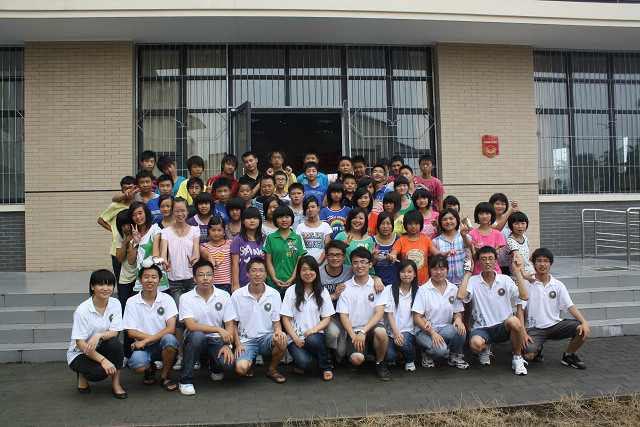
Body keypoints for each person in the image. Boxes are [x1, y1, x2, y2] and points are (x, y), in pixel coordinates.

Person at [456, 246, 529, 375]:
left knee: (514, 321)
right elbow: (461, 296)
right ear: (478, 262)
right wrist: (467, 273)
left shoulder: (505, 279)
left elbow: (524, 296)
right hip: (482, 328)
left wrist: (517, 273)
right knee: (475, 345)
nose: (487, 262)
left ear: (496, 261)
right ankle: (485, 348)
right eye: (483, 259)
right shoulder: (473, 280)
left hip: (502, 327)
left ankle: (517, 358)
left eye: (491, 258)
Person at [517, 248, 590, 369]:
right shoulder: (527, 284)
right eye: (539, 261)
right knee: (528, 355)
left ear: (550, 264)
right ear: (534, 264)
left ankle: (569, 356)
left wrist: (584, 322)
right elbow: (520, 310)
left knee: (581, 329)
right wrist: (523, 333)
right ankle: (537, 348)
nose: (542, 264)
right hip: (535, 329)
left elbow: (570, 306)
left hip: (555, 325)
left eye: (546, 261)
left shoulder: (558, 285)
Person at [224, 257, 288, 384]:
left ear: (266, 274)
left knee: (282, 340)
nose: (257, 274)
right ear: (247, 274)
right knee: (241, 369)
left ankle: (272, 369)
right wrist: (238, 344)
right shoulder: (237, 295)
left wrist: (278, 331)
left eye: (261, 271)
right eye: (254, 270)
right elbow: (233, 323)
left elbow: (276, 322)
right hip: (246, 341)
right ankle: (250, 362)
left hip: (266, 338)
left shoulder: (274, 294)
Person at [178, 259, 235, 395]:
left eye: (209, 274)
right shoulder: (186, 298)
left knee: (228, 363)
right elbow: (191, 326)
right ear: (194, 278)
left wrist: (227, 345)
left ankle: (215, 367)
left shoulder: (224, 295)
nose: (205, 278)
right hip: (195, 338)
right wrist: (217, 329)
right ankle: (185, 381)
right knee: (197, 336)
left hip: (217, 339)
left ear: (213, 276)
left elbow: (229, 324)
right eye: (201, 275)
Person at [67, 269, 127, 399]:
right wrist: (103, 361)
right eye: (100, 284)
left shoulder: (115, 303)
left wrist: (98, 335)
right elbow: (81, 344)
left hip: (101, 346)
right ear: (92, 287)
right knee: (99, 373)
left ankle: (116, 384)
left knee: (116, 344)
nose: (105, 288)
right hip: (81, 352)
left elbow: (115, 332)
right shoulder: (82, 310)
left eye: (109, 284)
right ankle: (81, 374)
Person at [124, 262, 179, 391]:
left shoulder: (167, 299)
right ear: (140, 280)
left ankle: (165, 376)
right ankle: (150, 368)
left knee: (170, 340)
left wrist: (147, 340)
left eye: (154, 277)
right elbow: (131, 332)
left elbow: (171, 329)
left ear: (160, 280)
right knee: (137, 366)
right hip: (143, 347)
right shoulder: (132, 302)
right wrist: (147, 341)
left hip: (160, 344)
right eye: (146, 277)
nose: (150, 280)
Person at [336, 247, 390, 380]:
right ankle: (364, 353)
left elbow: (379, 314)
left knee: (381, 331)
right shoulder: (345, 287)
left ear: (370, 264)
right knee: (356, 359)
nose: (359, 266)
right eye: (355, 262)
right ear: (351, 265)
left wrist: (363, 332)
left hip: (372, 329)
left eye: (363, 262)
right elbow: (343, 315)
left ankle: (380, 363)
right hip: (354, 331)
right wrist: (353, 335)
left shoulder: (378, 286)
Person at [160, 197, 200, 370]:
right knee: (179, 320)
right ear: (172, 212)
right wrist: (164, 262)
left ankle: (194, 356)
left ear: (187, 211)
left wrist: (195, 260)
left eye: (183, 210)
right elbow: (163, 253)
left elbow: (196, 252)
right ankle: (181, 355)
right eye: (176, 211)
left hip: (192, 280)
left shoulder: (194, 230)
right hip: (174, 280)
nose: (180, 213)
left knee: (193, 318)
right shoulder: (166, 232)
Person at [280, 255, 335, 380]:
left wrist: (314, 329)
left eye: (311, 269)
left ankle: (325, 367)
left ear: (316, 271)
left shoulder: (323, 291)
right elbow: (285, 319)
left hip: (314, 335)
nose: (308, 273)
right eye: (304, 269)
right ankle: (302, 360)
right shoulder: (291, 291)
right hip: (295, 338)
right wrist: (295, 338)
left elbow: (326, 318)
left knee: (312, 340)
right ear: (299, 272)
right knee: (304, 363)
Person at [413, 256, 469, 370]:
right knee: (440, 350)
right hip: (425, 331)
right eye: (435, 269)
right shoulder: (423, 289)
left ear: (447, 270)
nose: (438, 272)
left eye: (442, 269)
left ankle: (454, 355)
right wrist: (432, 333)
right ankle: (427, 353)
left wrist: (458, 320)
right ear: (430, 270)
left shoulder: (453, 288)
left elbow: (458, 311)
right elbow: (417, 317)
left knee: (460, 329)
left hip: (444, 329)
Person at [387, 210, 454, 286]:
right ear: (405, 225)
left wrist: (447, 253)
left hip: (423, 283)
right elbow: (391, 256)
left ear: (420, 224)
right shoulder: (400, 241)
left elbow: (438, 254)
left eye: (416, 223)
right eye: (410, 224)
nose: (413, 226)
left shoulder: (426, 240)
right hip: (407, 282)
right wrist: (391, 257)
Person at [98, 176, 136, 287]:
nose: (128, 191)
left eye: (130, 188)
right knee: (121, 282)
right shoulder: (115, 206)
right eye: (125, 188)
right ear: (122, 190)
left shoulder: (138, 205)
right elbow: (101, 220)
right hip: (118, 249)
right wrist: (114, 230)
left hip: (134, 248)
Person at [383, 259, 419, 371]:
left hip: (409, 332)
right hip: (392, 332)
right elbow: (389, 314)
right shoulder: (389, 289)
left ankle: (410, 359)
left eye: (409, 271)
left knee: (403, 343)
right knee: (390, 357)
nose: (406, 275)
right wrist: (396, 333)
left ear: (414, 274)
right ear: (398, 273)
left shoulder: (419, 291)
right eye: (403, 271)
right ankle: (399, 353)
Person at [264, 206, 308, 295]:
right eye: (280, 217)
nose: (284, 220)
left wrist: (292, 279)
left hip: (293, 284)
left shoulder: (298, 238)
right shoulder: (270, 238)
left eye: (287, 217)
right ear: (275, 219)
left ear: (292, 219)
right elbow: (268, 261)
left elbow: (299, 262)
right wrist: (274, 279)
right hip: (273, 284)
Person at [113, 210, 138, 360]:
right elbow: (119, 258)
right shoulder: (120, 236)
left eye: (127, 224)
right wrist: (125, 242)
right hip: (125, 279)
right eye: (122, 225)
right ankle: (126, 353)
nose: (126, 227)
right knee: (125, 313)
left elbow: (132, 259)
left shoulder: (140, 232)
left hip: (140, 278)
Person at [129, 201, 169, 293]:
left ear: (146, 213)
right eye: (134, 215)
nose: (137, 217)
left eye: (140, 213)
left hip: (157, 279)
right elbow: (131, 261)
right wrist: (136, 242)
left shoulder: (155, 229)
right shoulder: (134, 234)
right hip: (141, 279)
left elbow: (155, 255)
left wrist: (159, 260)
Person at [230, 207, 266, 292]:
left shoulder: (265, 239)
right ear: (242, 221)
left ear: (260, 221)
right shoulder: (237, 240)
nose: (252, 221)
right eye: (249, 218)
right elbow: (234, 263)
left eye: (255, 218)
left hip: (262, 283)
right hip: (242, 283)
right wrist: (235, 284)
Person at [433, 208, 472, 285]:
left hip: (463, 281)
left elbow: (468, 245)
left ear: (457, 220)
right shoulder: (436, 241)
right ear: (440, 222)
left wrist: (464, 236)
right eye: (444, 219)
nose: (448, 222)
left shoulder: (464, 236)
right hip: (444, 283)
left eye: (451, 218)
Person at [468, 202, 506, 275]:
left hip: (495, 273)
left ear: (492, 215)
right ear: (477, 215)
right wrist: (478, 252)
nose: (484, 216)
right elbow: (474, 258)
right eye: (481, 213)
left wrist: (495, 253)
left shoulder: (497, 234)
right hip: (478, 274)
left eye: (487, 213)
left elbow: (497, 258)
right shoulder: (472, 234)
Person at [335, 207, 375, 273]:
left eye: (361, 218)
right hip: (345, 274)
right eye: (354, 217)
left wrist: (374, 257)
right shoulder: (340, 236)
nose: (357, 220)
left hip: (365, 275)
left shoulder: (369, 239)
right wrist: (342, 246)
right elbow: (332, 254)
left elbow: (371, 263)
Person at [199, 216, 232, 294]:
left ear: (224, 230)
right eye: (213, 230)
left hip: (227, 283)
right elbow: (207, 255)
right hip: (211, 283)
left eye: (219, 230)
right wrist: (213, 263)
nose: (216, 233)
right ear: (208, 230)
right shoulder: (204, 246)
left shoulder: (230, 244)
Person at [296, 196, 332, 264]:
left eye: (313, 207)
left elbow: (327, 247)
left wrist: (319, 262)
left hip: (322, 264)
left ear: (318, 208)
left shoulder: (325, 226)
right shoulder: (300, 227)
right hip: (305, 263)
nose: (310, 210)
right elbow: (299, 248)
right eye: (307, 208)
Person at [490, 193, 519, 276]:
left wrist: (516, 208)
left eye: (503, 204)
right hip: (496, 262)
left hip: (510, 260)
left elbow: (519, 223)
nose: (500, 206)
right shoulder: (489, 221)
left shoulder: (510, 220)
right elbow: (497, 229)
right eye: (497, 204)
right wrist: (510, 211)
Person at [506, 211, 535, 282]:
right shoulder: (510, 241)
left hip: (531, 273)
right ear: (511, 225)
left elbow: (527, 255)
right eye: (516, 224)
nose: (520, 226)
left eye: (523, 223)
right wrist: (524, 274)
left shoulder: (524, 237)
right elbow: (518, 256)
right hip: (518, 276)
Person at [373, 212, 400, 286]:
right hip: (376, 283)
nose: (385, 226)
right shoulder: (372, 240)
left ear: (392, 225)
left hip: (394, 283)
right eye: (382, 223)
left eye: (388, 223)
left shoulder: (398, 240)